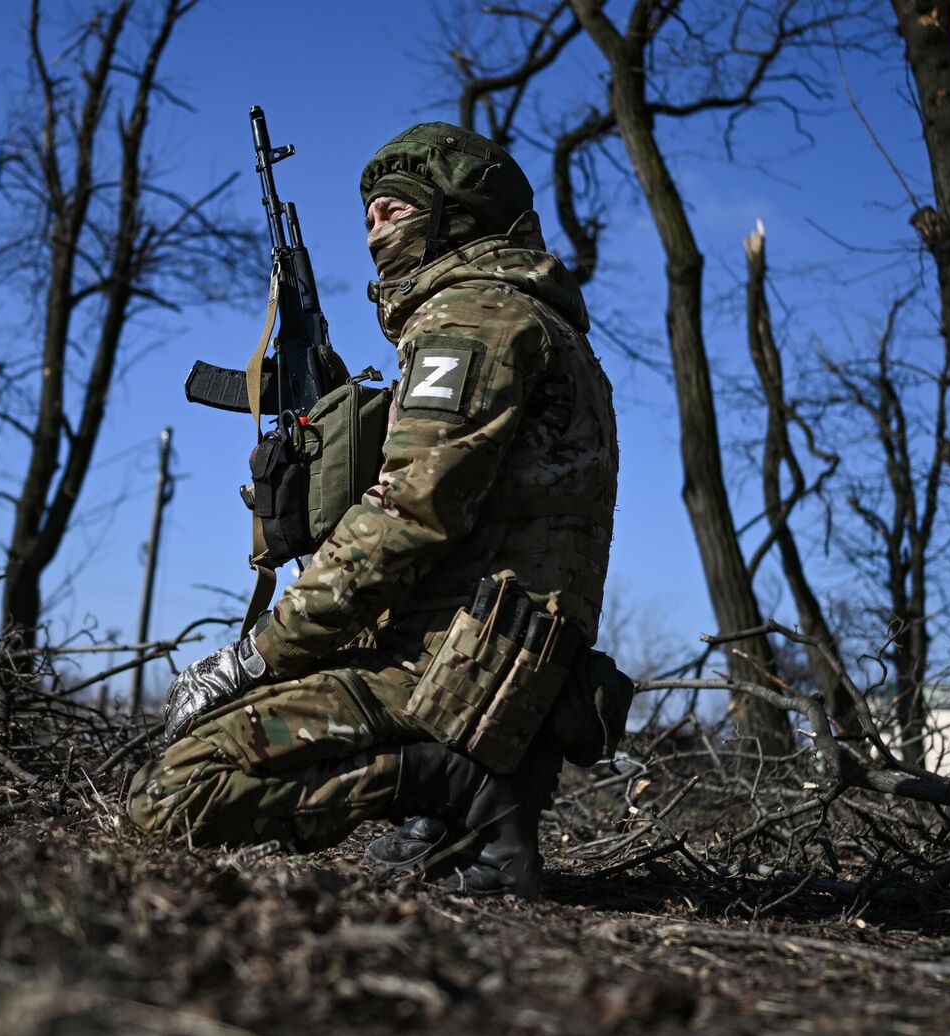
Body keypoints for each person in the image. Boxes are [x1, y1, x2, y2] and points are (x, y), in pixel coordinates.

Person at [126, 121, 618, 898]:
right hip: (492, 663)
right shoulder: (529, 319)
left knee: (173, 791)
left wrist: (254, 656)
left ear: (460, 214)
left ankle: (457, 784)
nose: (375, 226)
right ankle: (455, 807)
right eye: (369, 214)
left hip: (452, 671)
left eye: (399, 208)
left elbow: (407, 517)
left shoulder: (472, 320)